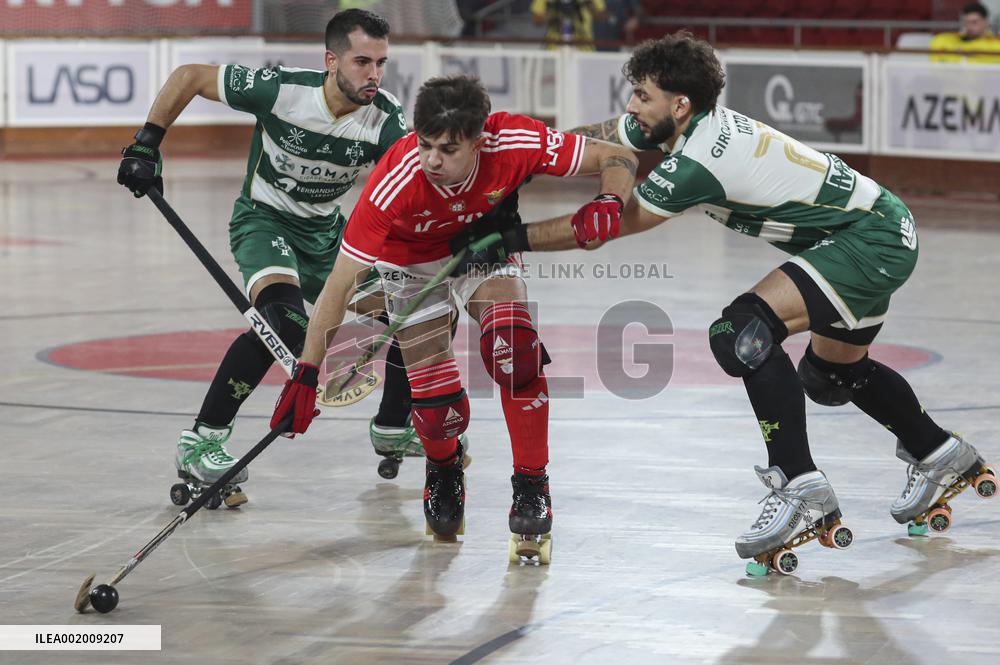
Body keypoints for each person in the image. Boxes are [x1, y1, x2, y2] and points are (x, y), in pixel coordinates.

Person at [486, 32, 995, 574]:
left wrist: (507, 240)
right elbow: (607, 136)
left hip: (869, 240)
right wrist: (530, 157)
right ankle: (938, 452)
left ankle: (797, 486)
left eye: (641, 95)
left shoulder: (698, 161)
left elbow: (615, 224)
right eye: (633, 93)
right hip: (877, 227)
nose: (632, 106)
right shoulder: (684, 118)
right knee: (830, 377)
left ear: (679, 105)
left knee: (739, 332)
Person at [269, 74, 637, 557]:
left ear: (480, 142)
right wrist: (306, 371)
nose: (432, 161)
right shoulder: (394, 182)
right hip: (411, 263)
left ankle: (532, 483)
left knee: (514, 350)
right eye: (424, 145)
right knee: (438, 410)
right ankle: (443, 468)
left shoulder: (514, 140)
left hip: (482, 246)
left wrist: (610, 199)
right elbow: (340, 285)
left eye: (448, 149)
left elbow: (619, 156)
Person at [117, 9, 428, 507]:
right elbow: (190, 77)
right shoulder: (283, 89)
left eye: (381, 63)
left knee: (414, 318)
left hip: (329, 239)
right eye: (362, 61)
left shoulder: (386, 118)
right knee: (283, 323)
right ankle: (202, 440)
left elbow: (415, 186)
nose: (374, 74)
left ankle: (392, 427)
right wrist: (146, 144)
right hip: (265, 223)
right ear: (331, 61)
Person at [930, 2, 1000, 63]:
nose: (969, 26)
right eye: (966, 22)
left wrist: (958, 53)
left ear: (986, 22)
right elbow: (937, 42)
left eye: (974, 22)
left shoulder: (995, 42)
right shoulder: (951, 39)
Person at [531, 0, 607, 50]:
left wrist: (588, 6)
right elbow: (536, 20)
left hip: (584, 49)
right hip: (554, 49)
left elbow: (602, 15)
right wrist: (553, 17)